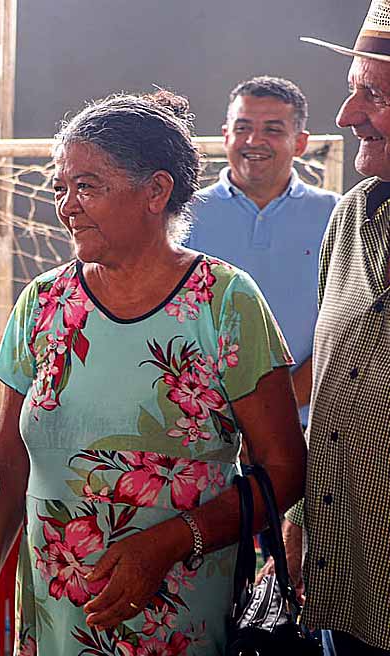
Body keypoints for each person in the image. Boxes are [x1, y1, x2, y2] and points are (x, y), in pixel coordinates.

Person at [0, 91, 306, 655]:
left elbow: (284, 470)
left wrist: (170, 541)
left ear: (156, 192)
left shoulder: (225, 303)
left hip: (181, 623)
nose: (66, 206)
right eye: (62, 187)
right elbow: (8, 465)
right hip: (55, 623)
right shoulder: (43, 304)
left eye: (88, 186)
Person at [278, 4, 390, 652]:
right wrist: (299, 512)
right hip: (342, 587)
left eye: (373, 94)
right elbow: (331, 387)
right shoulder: (349, 219)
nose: (347, 117)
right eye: (354, 91)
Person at [187, 76, 339, 431]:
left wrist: (279, 403)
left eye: (272, 129)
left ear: (300, 143)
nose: (254, 141)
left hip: (307, 427)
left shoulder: (339, 215)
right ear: (226, 134)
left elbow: (346, 328)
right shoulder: (182, 214)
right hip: (203, 429)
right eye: (243, 128)